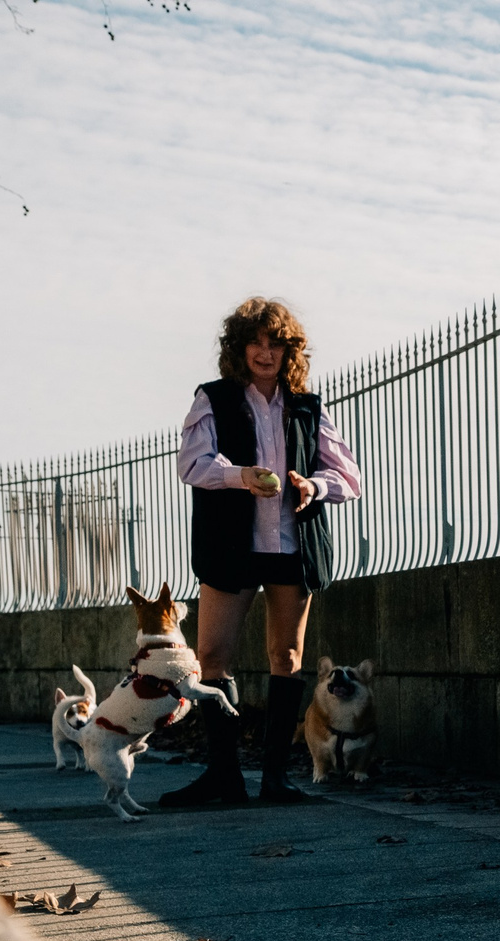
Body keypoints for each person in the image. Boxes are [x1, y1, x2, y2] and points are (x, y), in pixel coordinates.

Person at [159, 297, 363, 808]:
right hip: (232, 546)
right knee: (210, 656)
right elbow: (191, 465)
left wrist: (312, 486)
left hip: (292, 548)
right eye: (255, 342)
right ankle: (224, 777)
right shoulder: (214, 399)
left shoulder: (307, 407)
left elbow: (349, 478)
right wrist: (240, 476)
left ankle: (277, 780)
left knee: (287, 657)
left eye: (275, 344)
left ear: (289, 351)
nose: (265, 352)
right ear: (239, 348)